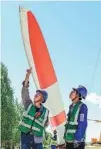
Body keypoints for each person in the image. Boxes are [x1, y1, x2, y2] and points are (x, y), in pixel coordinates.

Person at [18, 68, 49, 149]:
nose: (36, 94)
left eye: (39, 94)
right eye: (36, 93)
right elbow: (24, 90)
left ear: (42, 99)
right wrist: (27, 75)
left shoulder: (46, 112)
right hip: (25, 135)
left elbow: (46, 124)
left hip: (37, 138)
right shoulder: (28, 104)